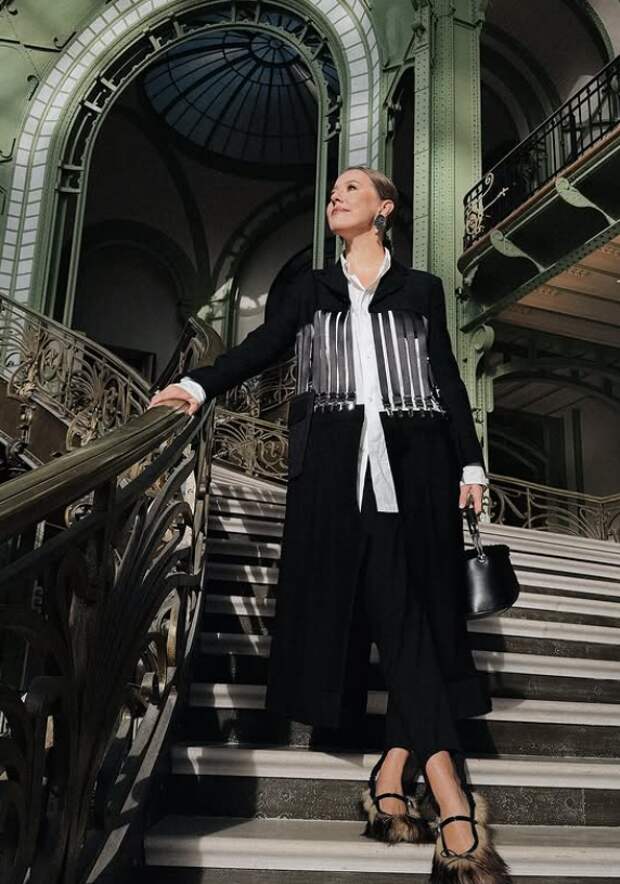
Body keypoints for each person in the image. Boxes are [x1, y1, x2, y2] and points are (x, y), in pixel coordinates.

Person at [150, 166, 512, 883]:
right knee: (394, 612)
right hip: (337, 471)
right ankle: (444, 791)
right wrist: (196, 384)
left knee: (411, 613)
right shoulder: (311, 289)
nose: (337, 196)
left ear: (384, 208)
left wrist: (471, 466)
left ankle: (406, 776)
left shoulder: (421, 290)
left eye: (353, 189)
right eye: (334, 190)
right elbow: (262, 347)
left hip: (419, 466)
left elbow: (444, 376)